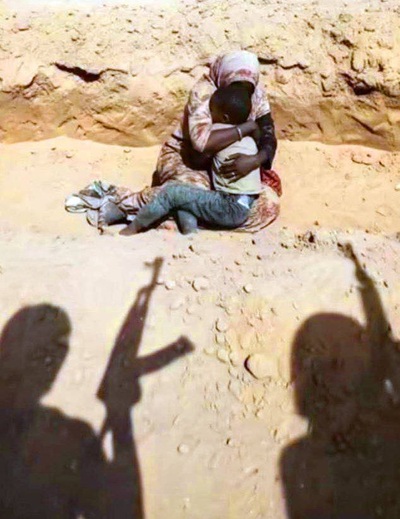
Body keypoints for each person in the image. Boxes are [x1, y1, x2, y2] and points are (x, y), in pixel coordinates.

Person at [67, 51, 281, 234]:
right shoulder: (205, 92)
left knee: (268, 205)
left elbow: (268, 134)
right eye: (237, 84)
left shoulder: (255, 93)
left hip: (227, 171)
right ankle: (125, 204)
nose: (243, 90)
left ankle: (177, 216)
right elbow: (201, 144)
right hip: (189, 160)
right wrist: (245, 129)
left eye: (247, 86)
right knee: (188, 189)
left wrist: (256, 160)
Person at [120, 84, 262, 235]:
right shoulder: (249, 136)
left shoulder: (218, 133)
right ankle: (190, 233)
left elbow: (197, 160)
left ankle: (133, 228)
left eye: (211, 111)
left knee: (172, 192)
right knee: (187, 197)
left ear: (224, 118)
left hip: (228, 207)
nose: (209, 115)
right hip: (246, 204)